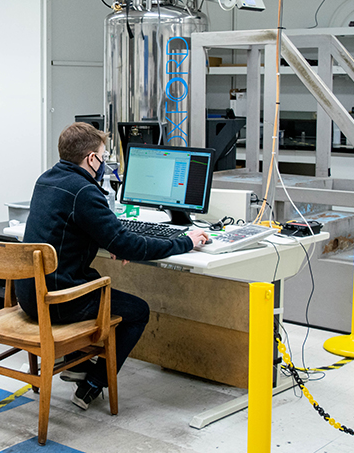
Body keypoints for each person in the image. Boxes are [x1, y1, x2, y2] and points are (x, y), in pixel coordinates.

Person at [15, 122, 209, 410]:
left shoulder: (46, 180)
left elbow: (72, 229)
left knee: (99, 287)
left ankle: (76, 363)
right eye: (103, 157)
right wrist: (185, 242)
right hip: (57, 301)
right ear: (91, 158)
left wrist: (113, 240)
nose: (103, 164)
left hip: (29, 296)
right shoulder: (84, 191)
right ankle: (92, 383)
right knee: (137, 311)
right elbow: (125, 244)